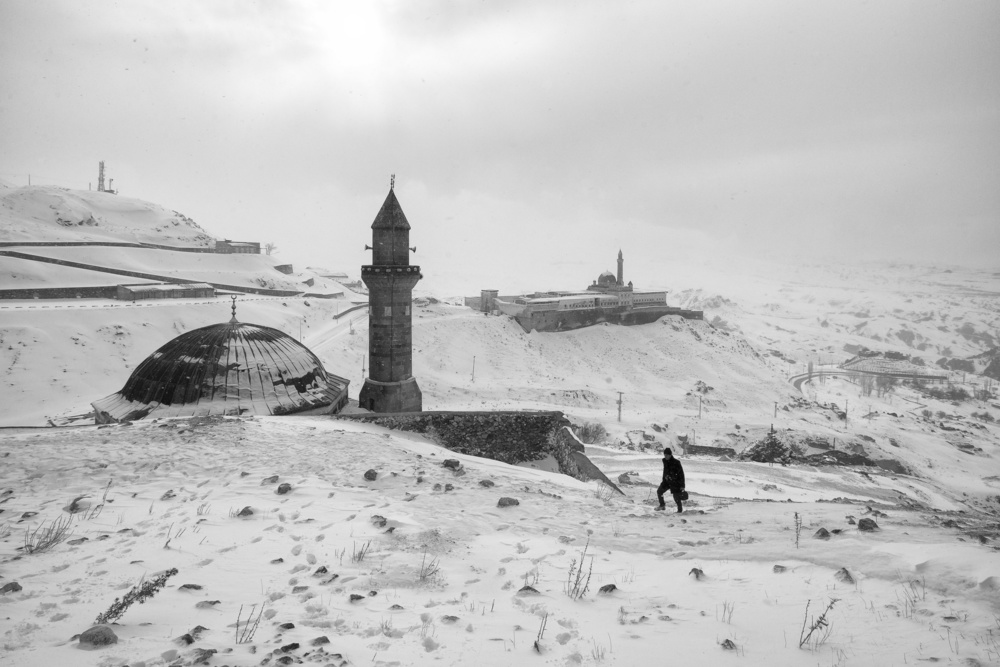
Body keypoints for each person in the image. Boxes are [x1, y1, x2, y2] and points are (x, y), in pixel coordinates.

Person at [656, 447, 685, 513]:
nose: (665, 456)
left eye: (666, 455)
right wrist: (664, 479)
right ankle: (662, 505)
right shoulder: (665, 461)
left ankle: (679, 511)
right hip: (666, 482)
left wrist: (682, 485)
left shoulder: (676, 462)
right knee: (659, 491)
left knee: (676, 497)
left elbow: (681, 474)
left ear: (670, 455)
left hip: (675, 482)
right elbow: (665, 472)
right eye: (664, 455)